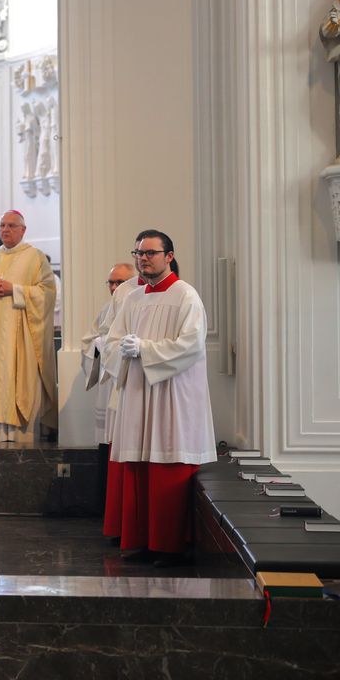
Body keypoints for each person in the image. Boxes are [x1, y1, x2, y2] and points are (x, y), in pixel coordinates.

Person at [103, 230, 216, 566]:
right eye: (139, 253)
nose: (143, 258)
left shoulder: (185, 296)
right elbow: (112, 340)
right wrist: (119, 349)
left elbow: (191, 345)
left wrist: (146, 350)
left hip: (172, 395)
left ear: (168, 256)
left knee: (168, 466)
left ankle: (169, 545)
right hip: (138, 392)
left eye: (150, 253)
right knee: (139, 465)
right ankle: (142, 541)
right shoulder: (132, 298)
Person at [0, 210, 57, 442]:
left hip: (21, 343)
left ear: (23, 230)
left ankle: (22, 440)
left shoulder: (35, 258)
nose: (5, 230)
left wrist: (13, 290)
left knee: (19, 385)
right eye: (3, 225)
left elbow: (47, 293)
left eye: (12, 226)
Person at [79, 262, 138, 512]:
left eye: (120, 282)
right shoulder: (106, 310)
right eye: (111, 282)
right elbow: (88, 342)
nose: (114, 287)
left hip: (124, 385)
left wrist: (110, 346)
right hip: (107, 387)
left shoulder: (137, 307)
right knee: (107, 447)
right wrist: (99, 346)